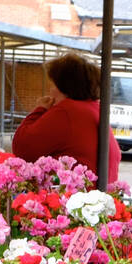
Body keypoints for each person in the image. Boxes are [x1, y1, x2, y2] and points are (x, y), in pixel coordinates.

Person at [11, 52, 120, 185]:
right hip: (98, 196)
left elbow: (23, 147)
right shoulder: (94, 108)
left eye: (54, 85)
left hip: (77, 199)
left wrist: (40, 110)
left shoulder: (67, 111)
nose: (50, 91)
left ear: (65, 86)